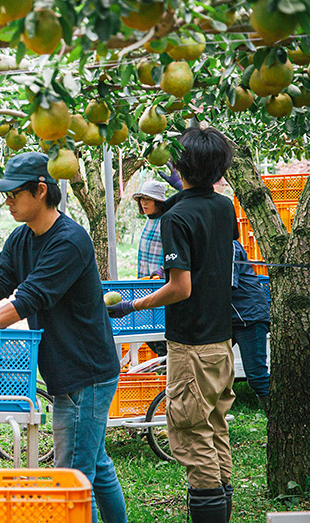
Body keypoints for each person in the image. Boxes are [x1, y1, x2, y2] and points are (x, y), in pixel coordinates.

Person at [0, 152, 126, 523]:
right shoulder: (22, 237)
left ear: (41, 190)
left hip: (85, 373)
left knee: (71, 482)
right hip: (69, 368)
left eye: (13, 194)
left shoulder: (70, 241)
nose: (6, 201)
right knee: (95, 464)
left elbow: (24, 303)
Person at [107, 127, 237, 523]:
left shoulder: (176, 218)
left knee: (190, 432)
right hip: (221, 340)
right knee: (214, 427)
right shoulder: (223, 206)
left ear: (179, 165)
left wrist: (133, 305)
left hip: (192, 344)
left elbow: (180, 287)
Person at [231, 239, 270, 412]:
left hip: (249, 316)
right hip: (228, 317)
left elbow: (226, 284)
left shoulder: (228, 245)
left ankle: (279, 427)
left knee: (257, 376)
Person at [133, 180, 170, 279]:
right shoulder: (149, 220)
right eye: (142, 199)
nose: (144, 203)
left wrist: (162, 269)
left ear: (158, 202)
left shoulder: (166, 222)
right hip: (146, 280)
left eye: (148, 199)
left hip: (162, 282)